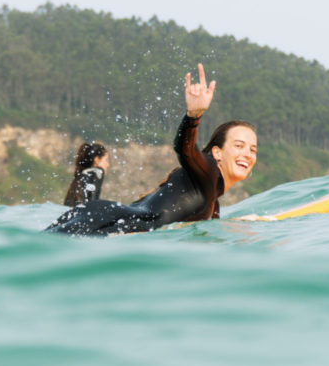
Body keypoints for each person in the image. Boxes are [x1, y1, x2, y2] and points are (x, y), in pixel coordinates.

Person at [45, 63, 257, 236]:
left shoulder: (211, 200)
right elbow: (185, 151)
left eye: (253, 150)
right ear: (217, 153)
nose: (247, 154)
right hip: (108, 223)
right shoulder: (209, 171)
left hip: (105, 217)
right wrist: (194, 116)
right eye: (239, 146)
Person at [63, 142, 110, 207]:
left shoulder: (80, 177)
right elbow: (92, 204)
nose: (108, 165)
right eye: (106, 160)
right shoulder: (97, 172)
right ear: (96, 160)